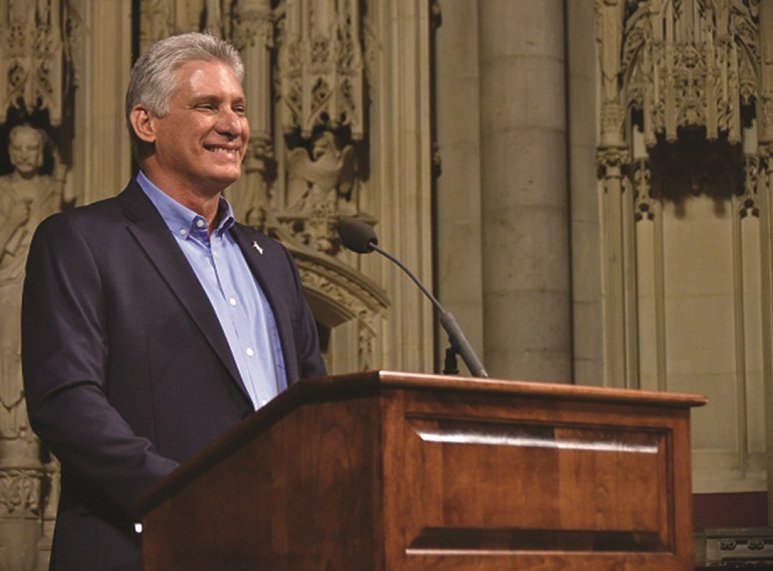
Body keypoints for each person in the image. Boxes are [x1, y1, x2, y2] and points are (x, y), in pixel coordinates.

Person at [21, 32, 326, 570]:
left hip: (279, 549)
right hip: (145, 549)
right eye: (208, 106)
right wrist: (188, 499)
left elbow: (316, 412)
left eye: (238, 108)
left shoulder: (272, 260)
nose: (233, 125)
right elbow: (67, 404)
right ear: (147, 124)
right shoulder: (82, 241)